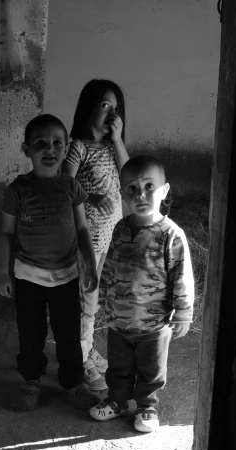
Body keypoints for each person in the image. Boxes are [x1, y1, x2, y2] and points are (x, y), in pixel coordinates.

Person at [0, 114, 101, 412]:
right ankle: (31, 382)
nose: (49, 149)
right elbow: (5, 232)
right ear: (25, 149)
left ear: (66, 148)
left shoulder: (71, 187)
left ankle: (73, 383)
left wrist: (90, 266)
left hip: (67, 276)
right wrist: (3, 272)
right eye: (40, 143)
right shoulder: (17, 190)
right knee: (31, 335)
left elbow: (83, 229)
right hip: (28, 277)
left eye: (57, 143)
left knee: (69, 334)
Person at [89, 155, 194, 433]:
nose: (141, 195)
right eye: (132, 189)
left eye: (149, 186)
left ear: (165, 190)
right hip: (119, 321)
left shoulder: (171, 234)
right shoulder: (121, 229)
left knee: (151, 369)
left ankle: (147, 407)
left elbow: (182, 277)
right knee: (118, 367)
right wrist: (102, 297)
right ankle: (118, 401)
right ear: (123, 193)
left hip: (154, 324)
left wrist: (183, 313)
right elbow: (109, 265)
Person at [63, 79, 130, 391]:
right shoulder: (78, 147)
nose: (111, 113)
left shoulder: (109, 147)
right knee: (84, 300)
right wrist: (90, 198)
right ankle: (79, 360)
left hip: (107, 240)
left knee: (95, 300)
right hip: (85, 240)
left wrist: (117, 141)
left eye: (116, 108)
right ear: (88, 107)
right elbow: (64, 187)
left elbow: (129, 175)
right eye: (105, 105)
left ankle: (85, 349)